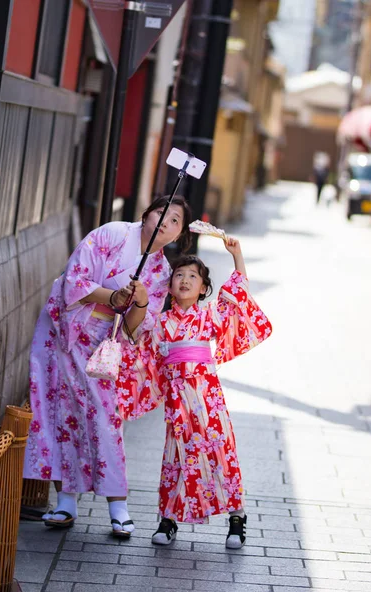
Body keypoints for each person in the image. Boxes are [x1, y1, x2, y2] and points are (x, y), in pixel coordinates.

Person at [23, 195, 192, 537]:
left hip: (105, 343)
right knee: (63, 411)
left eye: (175, 221)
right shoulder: (112, 234)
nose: (166, 222)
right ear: (146, 214)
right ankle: (65, 502)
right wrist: (111, 297)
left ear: (177, 236)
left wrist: (140, 301)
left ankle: (118, 506)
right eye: (162, 212)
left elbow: (134, 328)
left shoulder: (161, 272)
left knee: (105, 419)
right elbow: (75, 280)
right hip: (66, 330)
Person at [116, 238, 272, 548]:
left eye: (193, 276)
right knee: (177, 459)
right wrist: (137, 298)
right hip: (178, 406)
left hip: (209, 402)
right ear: (170, 286)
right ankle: (168, 519)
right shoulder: (160, 324)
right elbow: (134, 338)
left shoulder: (209, 317)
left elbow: (237, 291)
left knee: (221, 457)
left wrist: (237, 253)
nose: (185, 280)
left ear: (202, 289)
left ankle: (236, 519)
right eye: (179, 275)